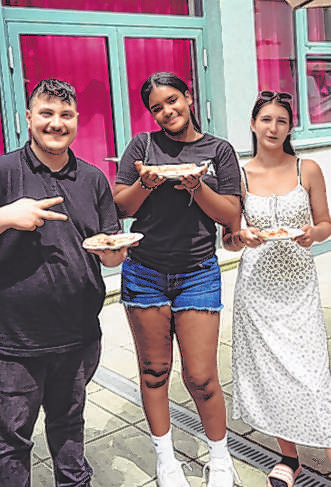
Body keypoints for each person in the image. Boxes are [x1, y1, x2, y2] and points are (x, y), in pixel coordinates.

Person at [113, 71, 242, 487]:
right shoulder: (143, 146)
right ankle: (166, 460)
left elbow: (230, 215)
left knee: (202, 376)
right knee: (153, 371)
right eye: (156, 107)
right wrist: (146, 184)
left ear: (188, 97)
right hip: (145, 271)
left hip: (198, 273)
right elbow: (119, 206)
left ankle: (221, 459)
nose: (167, 111)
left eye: (172, 100)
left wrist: (198, 186)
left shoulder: (218, 150)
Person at [0, 78, 129, 487]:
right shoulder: (4, 170)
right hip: (15, 339)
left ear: (76, 121)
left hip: (77, 333)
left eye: (66, 115)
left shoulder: (92, 178)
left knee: (69, 424)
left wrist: (114, 254)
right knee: (11, 438)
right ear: (28, 117)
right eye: (46, 113)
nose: (56, 123)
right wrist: (6, 216)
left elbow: (110, 239)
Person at [222, 90, 331, 487]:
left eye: (281, 121)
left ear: (290, 128)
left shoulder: (309, 169)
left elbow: (326, 223)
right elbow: (228, 239)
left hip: (298, 286)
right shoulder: (238, 174)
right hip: (256, 289)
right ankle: (290, 458)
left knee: (311, 375)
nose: (273, 127)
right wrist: (241, 237)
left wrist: (312, 233)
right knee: (270, 375)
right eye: (266, 119)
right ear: (253, 124)